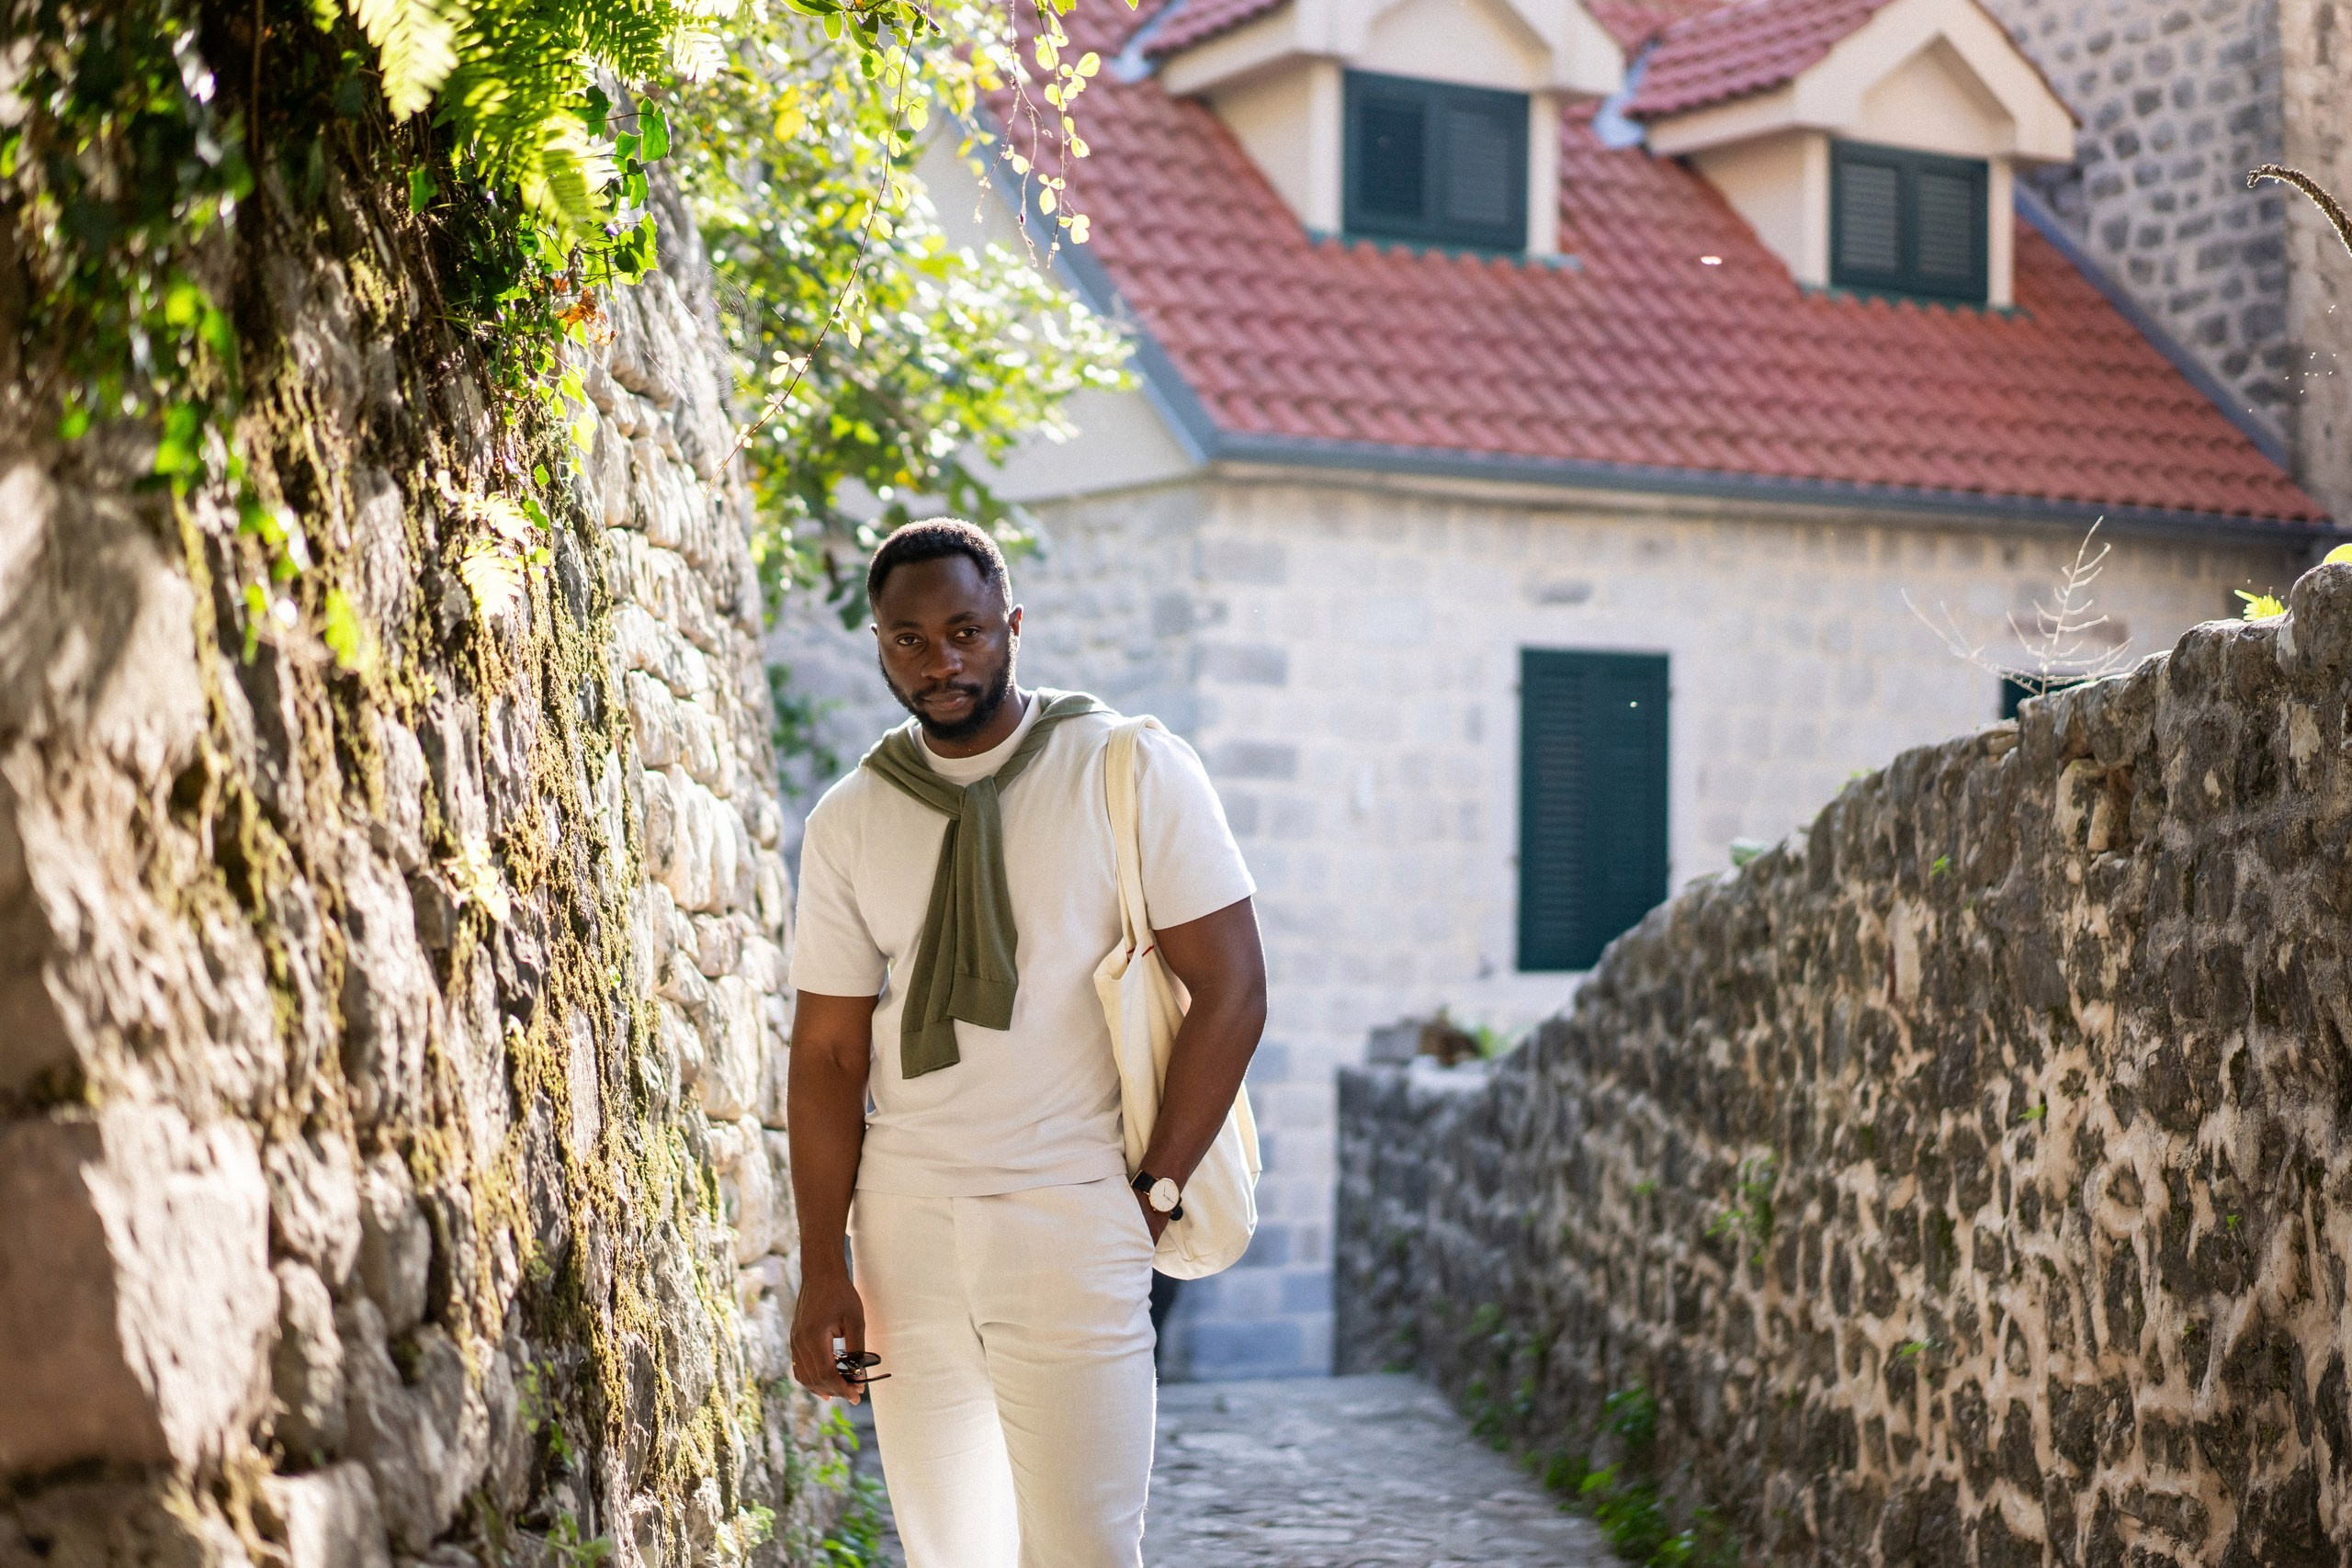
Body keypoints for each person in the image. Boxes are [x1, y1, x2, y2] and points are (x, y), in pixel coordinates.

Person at [786, 518, 1267, 1568]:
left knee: (1086, 1549)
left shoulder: (1124, 768)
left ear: (1011, 625)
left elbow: (1232, 987)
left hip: (1073, 1211)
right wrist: (826, 1263)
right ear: (878, 643)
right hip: (904, 1233)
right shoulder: (851, 818)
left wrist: (1157, 1191)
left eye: (964, 630)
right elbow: (826, 1055)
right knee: (948, 1552)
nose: (939, 660)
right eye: (907, 639)